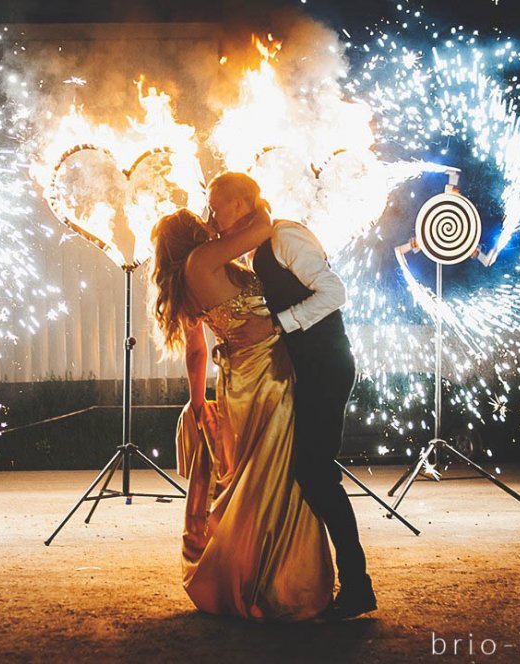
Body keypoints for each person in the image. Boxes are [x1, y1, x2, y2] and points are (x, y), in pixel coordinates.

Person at [206, 172, 377, 620]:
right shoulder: (258, 249)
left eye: (215, 206)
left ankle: (357, 585)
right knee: (310, 472)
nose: (211, 217)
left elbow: (335, 292)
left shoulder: (285, 237)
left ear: (240, 204)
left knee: (316, 473)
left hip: (326, 366)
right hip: (309, 370)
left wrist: (276, 324)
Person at [150, 206, 334, 621]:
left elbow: (196, 351)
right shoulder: (205, 258)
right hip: (267, 373)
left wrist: (198, 403)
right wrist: (250, 204)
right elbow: (263, 225)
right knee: (277, 472)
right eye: (203, 220)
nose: (210, 223)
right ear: (192, 234)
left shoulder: (187, 280)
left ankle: (250, 575)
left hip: (236, 383)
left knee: (252, 475)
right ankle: (279, 583)